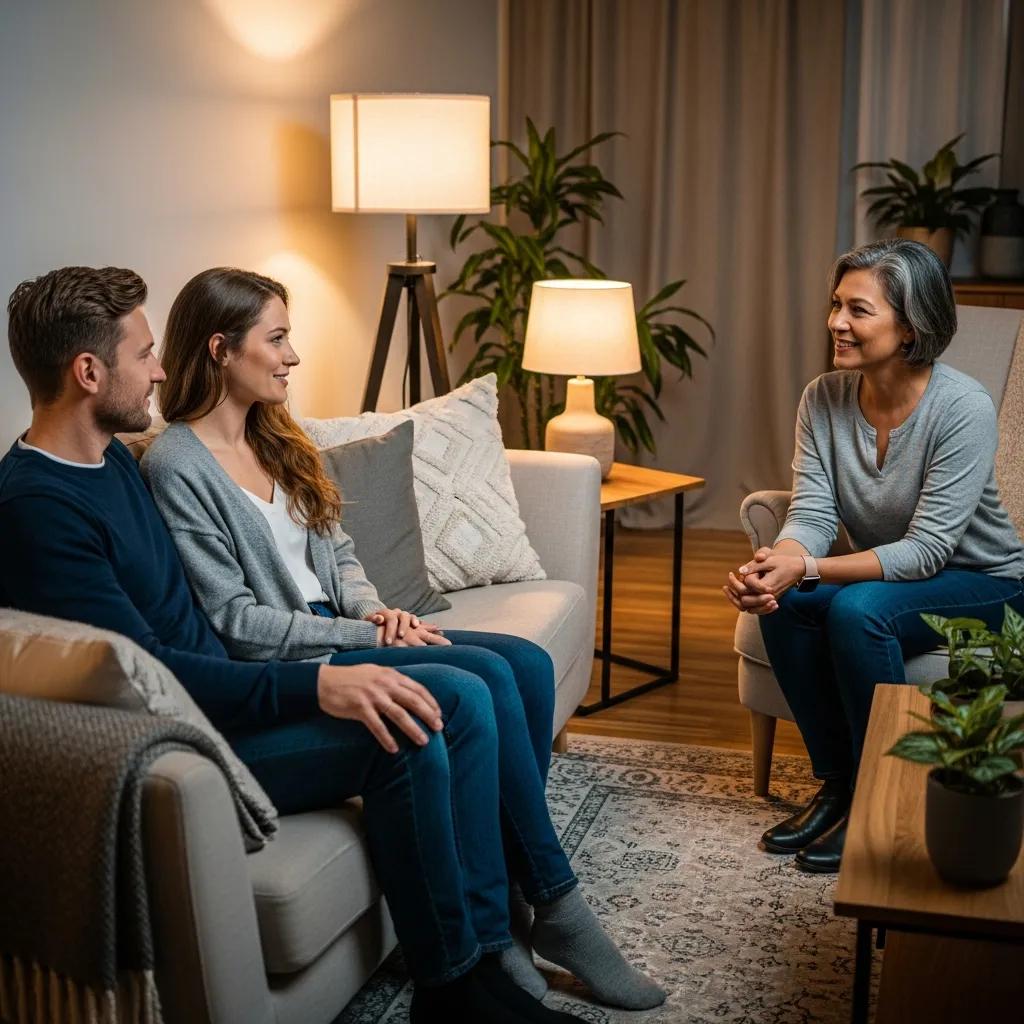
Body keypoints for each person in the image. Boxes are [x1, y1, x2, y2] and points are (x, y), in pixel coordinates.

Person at [0, 266, 662, 1021]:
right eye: (143, 353)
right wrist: (321, 681)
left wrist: (368, 625)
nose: (158, 369)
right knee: (429, 712)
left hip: (228, 694)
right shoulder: (40, 508)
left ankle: (498, 941)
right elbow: (154, 670)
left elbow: (233, 604)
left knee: (486, 679)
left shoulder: (110, 458)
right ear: (88, 372)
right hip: (193, 737)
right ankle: (463, 981)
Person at [724, 239, 1024, 874]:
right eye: (836, 306)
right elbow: (811, 514)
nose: (836, 322)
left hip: (989, 582)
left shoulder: (961, 406)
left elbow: (926, 551)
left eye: (858, 310)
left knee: (859, 610)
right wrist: (777, 563)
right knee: (786, 601)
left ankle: (879, 798)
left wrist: (807, 565)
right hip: (904, 578)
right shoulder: (823, 398)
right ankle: (838, 786)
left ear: (911, 325)